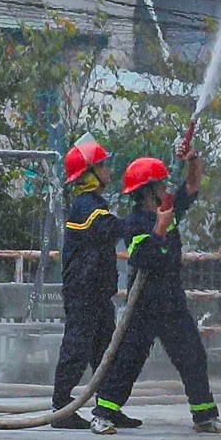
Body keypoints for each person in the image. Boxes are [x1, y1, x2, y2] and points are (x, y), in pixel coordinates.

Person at [91, 142, 221, 434]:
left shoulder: (168, 209)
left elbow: (192, 184)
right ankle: (104, 413)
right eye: (161, 183)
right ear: (148, 190)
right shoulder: (135, 223)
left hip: (171, 299)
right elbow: (142, 258)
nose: (167, 186)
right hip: (144, 303)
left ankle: (204, 416)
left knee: (192, 355)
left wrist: (193, 159)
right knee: (128, 358)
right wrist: (160, 228)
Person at [53, 141, 121, 424]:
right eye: (102, 165)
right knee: (77, 347)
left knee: (106, 350)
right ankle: (61, 408)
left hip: (97, 291)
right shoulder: (85, 206)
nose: (108, 170)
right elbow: (109, 227)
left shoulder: (95, 204)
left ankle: (107, 408)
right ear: (89, 173)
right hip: (84, 290)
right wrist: (146, 220)